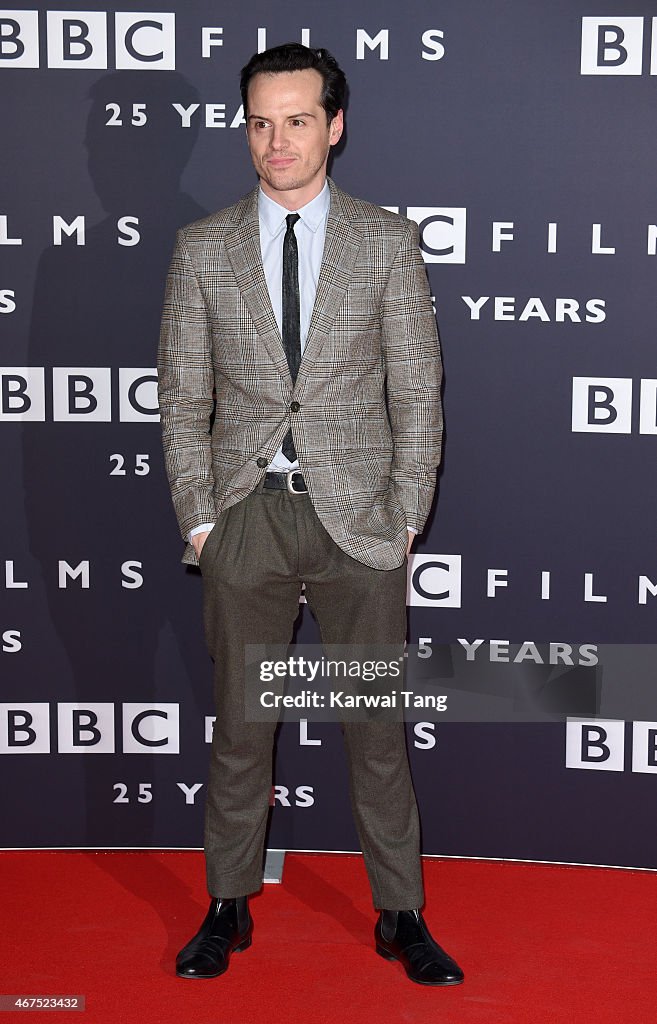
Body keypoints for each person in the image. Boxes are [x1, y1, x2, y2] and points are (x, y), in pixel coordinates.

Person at [157, 42, 462, 987]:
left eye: (296, 120)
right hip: (246, 520)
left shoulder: (385, 241)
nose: (275, 141)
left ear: (333, 125)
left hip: (358, 524)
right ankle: (226, 904)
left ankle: (399, 912)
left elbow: (416, 388)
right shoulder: (202, 247)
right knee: (241, 728)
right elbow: (182, 398)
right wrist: (203, 522)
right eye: (258, 123)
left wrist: (405, 512)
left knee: (373, 730)